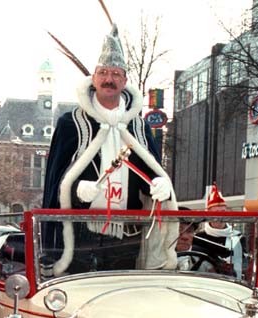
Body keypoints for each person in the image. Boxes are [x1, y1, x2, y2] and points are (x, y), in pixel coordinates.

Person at [42, 24, 177, 275]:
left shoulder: (138, 125)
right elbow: (54, 181)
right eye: (103, 72)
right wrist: (76, 188)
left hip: (127, 233)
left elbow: (150, 172)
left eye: (116, 74)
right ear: (93, 78)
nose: (109, 79)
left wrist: (160, 185)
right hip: (82, 232)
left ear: (125, 81)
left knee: (119, 300)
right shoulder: (70, 123)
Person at [195, 184, 243, 279]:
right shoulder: (198, 238)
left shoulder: (238, 238)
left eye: (223, 212)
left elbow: (243, 266)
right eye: (216, 213)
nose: (220, 217)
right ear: (208, 214)